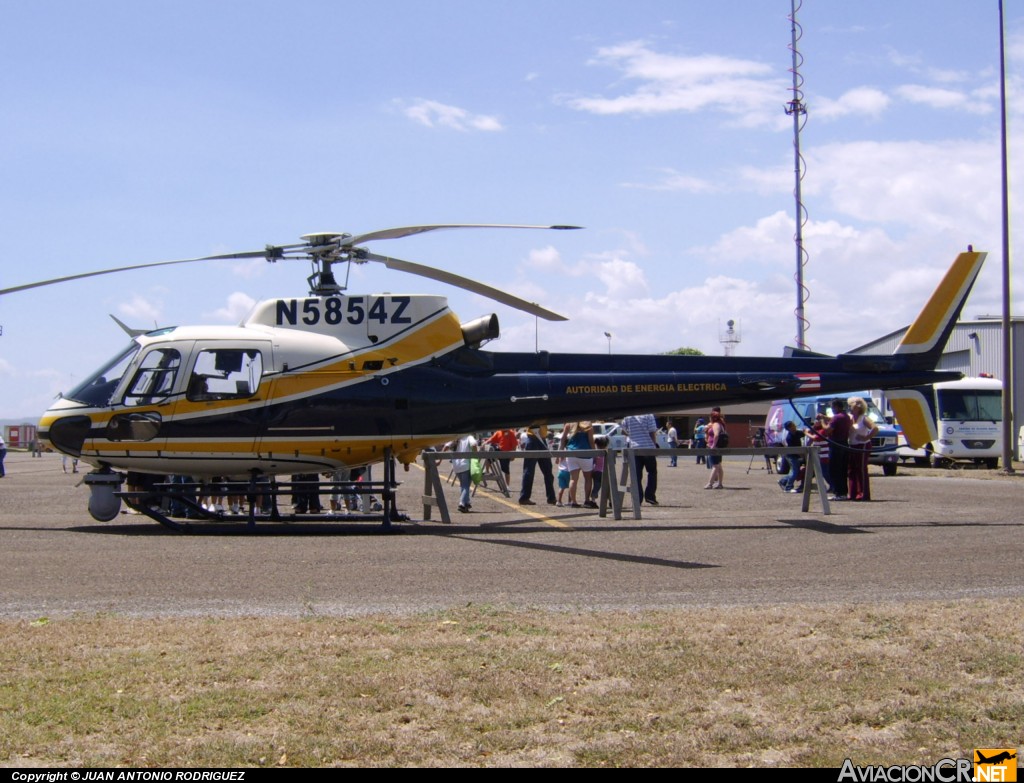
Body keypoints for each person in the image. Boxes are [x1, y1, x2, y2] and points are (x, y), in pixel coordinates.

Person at [621, 412, 659, 505]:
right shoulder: (648, 415)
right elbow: (652, 432)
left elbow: (622, 430)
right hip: (648, 448)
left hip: (634, 449)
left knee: (636, 475)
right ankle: (650, 496)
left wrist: (631, 436)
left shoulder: (628, 416)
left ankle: (638, 498)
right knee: (652, 472)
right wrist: (654, 445)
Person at [847, 396, 878, 501]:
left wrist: (866, 437)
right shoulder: (850, 418)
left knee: (861, 469)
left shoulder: (864, 418)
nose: (850, 407)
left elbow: (875, 428)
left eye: (851, 405)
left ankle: (863, 493)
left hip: (863, 445)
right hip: (852, 444)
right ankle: (852, 492)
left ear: (858, 407)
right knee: (851, 469)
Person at [560, 422, 597, 508]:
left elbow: (563, 439)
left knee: (573, 479)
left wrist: (561, 452)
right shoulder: (588, 425)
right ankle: (587, 500)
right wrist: (595, 453)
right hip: (586, 453)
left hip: (571, 453)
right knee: (588, 478)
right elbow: (591, 441)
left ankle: (573, 501)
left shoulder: (569, 424)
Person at [519, 427, 556, 506]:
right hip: (534, 437)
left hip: (539, 439)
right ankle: (524, 497)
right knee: (530, 471)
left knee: (547, 471)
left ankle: (551, 497)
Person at [823, 398, 851, 501]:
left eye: (832, 407)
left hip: (835, 445)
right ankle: (843, 492)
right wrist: (826, 418)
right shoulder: (846, 417)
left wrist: (822, 421)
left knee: (834, 470)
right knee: (842, 470)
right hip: (844, 445)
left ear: (836, 407)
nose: (832, 409)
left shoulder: (836, 418)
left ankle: (838, 492)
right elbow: (835, 421)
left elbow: (827, 430)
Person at [450, 433, 478, 513]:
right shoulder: (469, 437)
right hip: (465, 465)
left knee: (463, 485)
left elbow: (446, 446)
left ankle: (467, 502)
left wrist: (440, 459)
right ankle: (462, 503)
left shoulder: (456, 437)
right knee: (466, 486)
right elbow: (474, 444)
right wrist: (476, 456)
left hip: (456, 466)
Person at [704, 409, 728, 489]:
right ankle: (720, 484)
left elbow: (716, 435)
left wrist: (713, 446)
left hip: (715, 447)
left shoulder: (716, 424)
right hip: (718, 447)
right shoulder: (717, 424)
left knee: (715, 465)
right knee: (719, 465)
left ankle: (710, 483)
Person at [777, 420, 804, 492]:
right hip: (791, 455)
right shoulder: (790, 437)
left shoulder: (797, 433)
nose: (794, 425)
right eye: (792, 425)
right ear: (789, 428)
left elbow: (804, 433)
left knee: (795, 471)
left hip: (796, 455)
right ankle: (788, 487)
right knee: (794, 472)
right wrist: (802, 455)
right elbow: (795, 450)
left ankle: (782, 481)